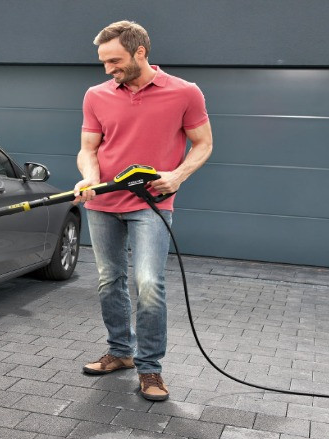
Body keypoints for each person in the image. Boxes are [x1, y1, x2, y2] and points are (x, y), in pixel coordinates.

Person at [73, 20, 213, 401]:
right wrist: (88, 178)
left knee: (149, 283)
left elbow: (203, 144)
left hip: (151, 204)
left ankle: (150, 368)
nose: (107, 69)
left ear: (140, 52)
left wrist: (178, 175)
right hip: (102, 203)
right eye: (103, 62)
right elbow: (89, 149)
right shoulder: (96, 95)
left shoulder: (185, 93)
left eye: (115, 60)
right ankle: (121, 352)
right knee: (109, 280)